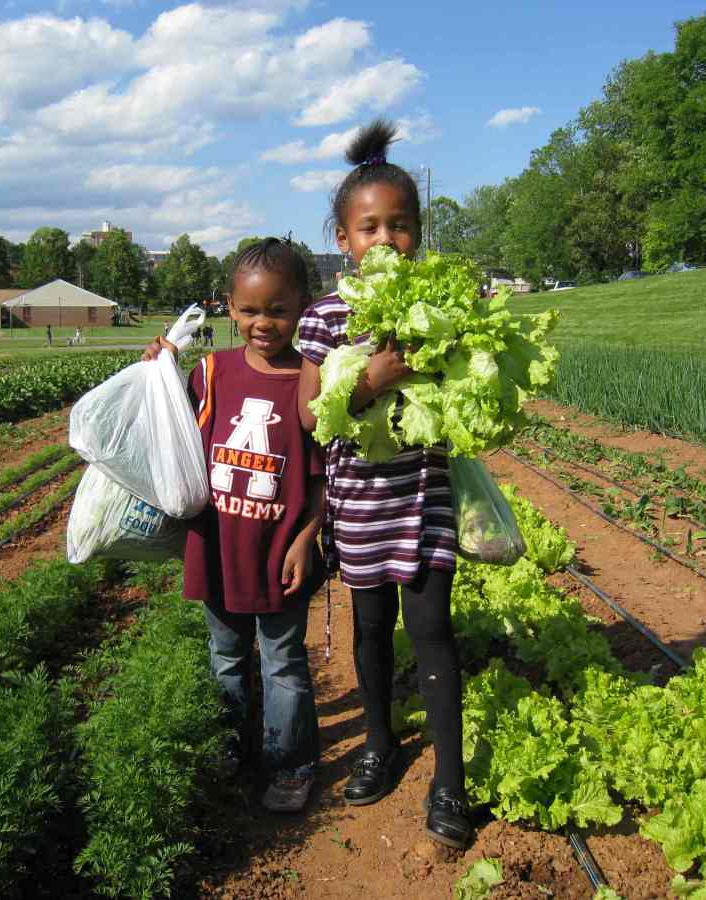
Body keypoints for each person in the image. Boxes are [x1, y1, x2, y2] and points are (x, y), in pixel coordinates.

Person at [296, 119, 473, 849]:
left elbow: (475, 395)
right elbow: (314, 414)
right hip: (360, 508)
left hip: (423, 501)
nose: (385, 240)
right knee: (371, 635)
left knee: (433, 634)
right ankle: (379, 743)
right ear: (343, 239)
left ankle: (452, 782)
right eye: (369, 228)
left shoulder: (442, 310)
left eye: (400, 226)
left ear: (419, 234)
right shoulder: (325, 318)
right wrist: (374, 376)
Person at [143, 238, 325, 813]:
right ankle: (231, 755)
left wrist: (306, 537)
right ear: (229, 307)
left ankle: (290, 764)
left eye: (277, 310)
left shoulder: (311, 381)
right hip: (218, 548)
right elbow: (170, 427)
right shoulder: (211, 373)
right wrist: (158, 373)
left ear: (302, 308)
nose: (262, 323)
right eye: (249, 311)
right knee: (225, 659)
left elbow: (324, 476)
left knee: (284, 663)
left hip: (280, 554)